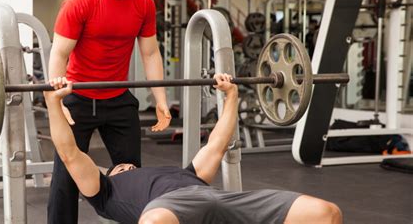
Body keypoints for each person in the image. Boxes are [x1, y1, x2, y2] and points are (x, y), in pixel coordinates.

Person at [44, 74, 343, 224]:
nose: (127, 166)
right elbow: (69, 153)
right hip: (169, 211)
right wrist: (53, 102)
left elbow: (217, 144)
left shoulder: (187, 173)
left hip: (218, 200)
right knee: (155, 222)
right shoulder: (104, 191)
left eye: (128, 166)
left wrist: (232, 95)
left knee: (326, 213)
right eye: (120, 167)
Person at [47, 0, 171, 223]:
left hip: (118, 99)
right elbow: (59, 54)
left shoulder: (144, 3)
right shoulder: (81, 1)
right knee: (65, 178)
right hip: (78, 98)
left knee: (134, 177)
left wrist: (160, 99)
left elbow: (150, 54)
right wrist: (58, 103)